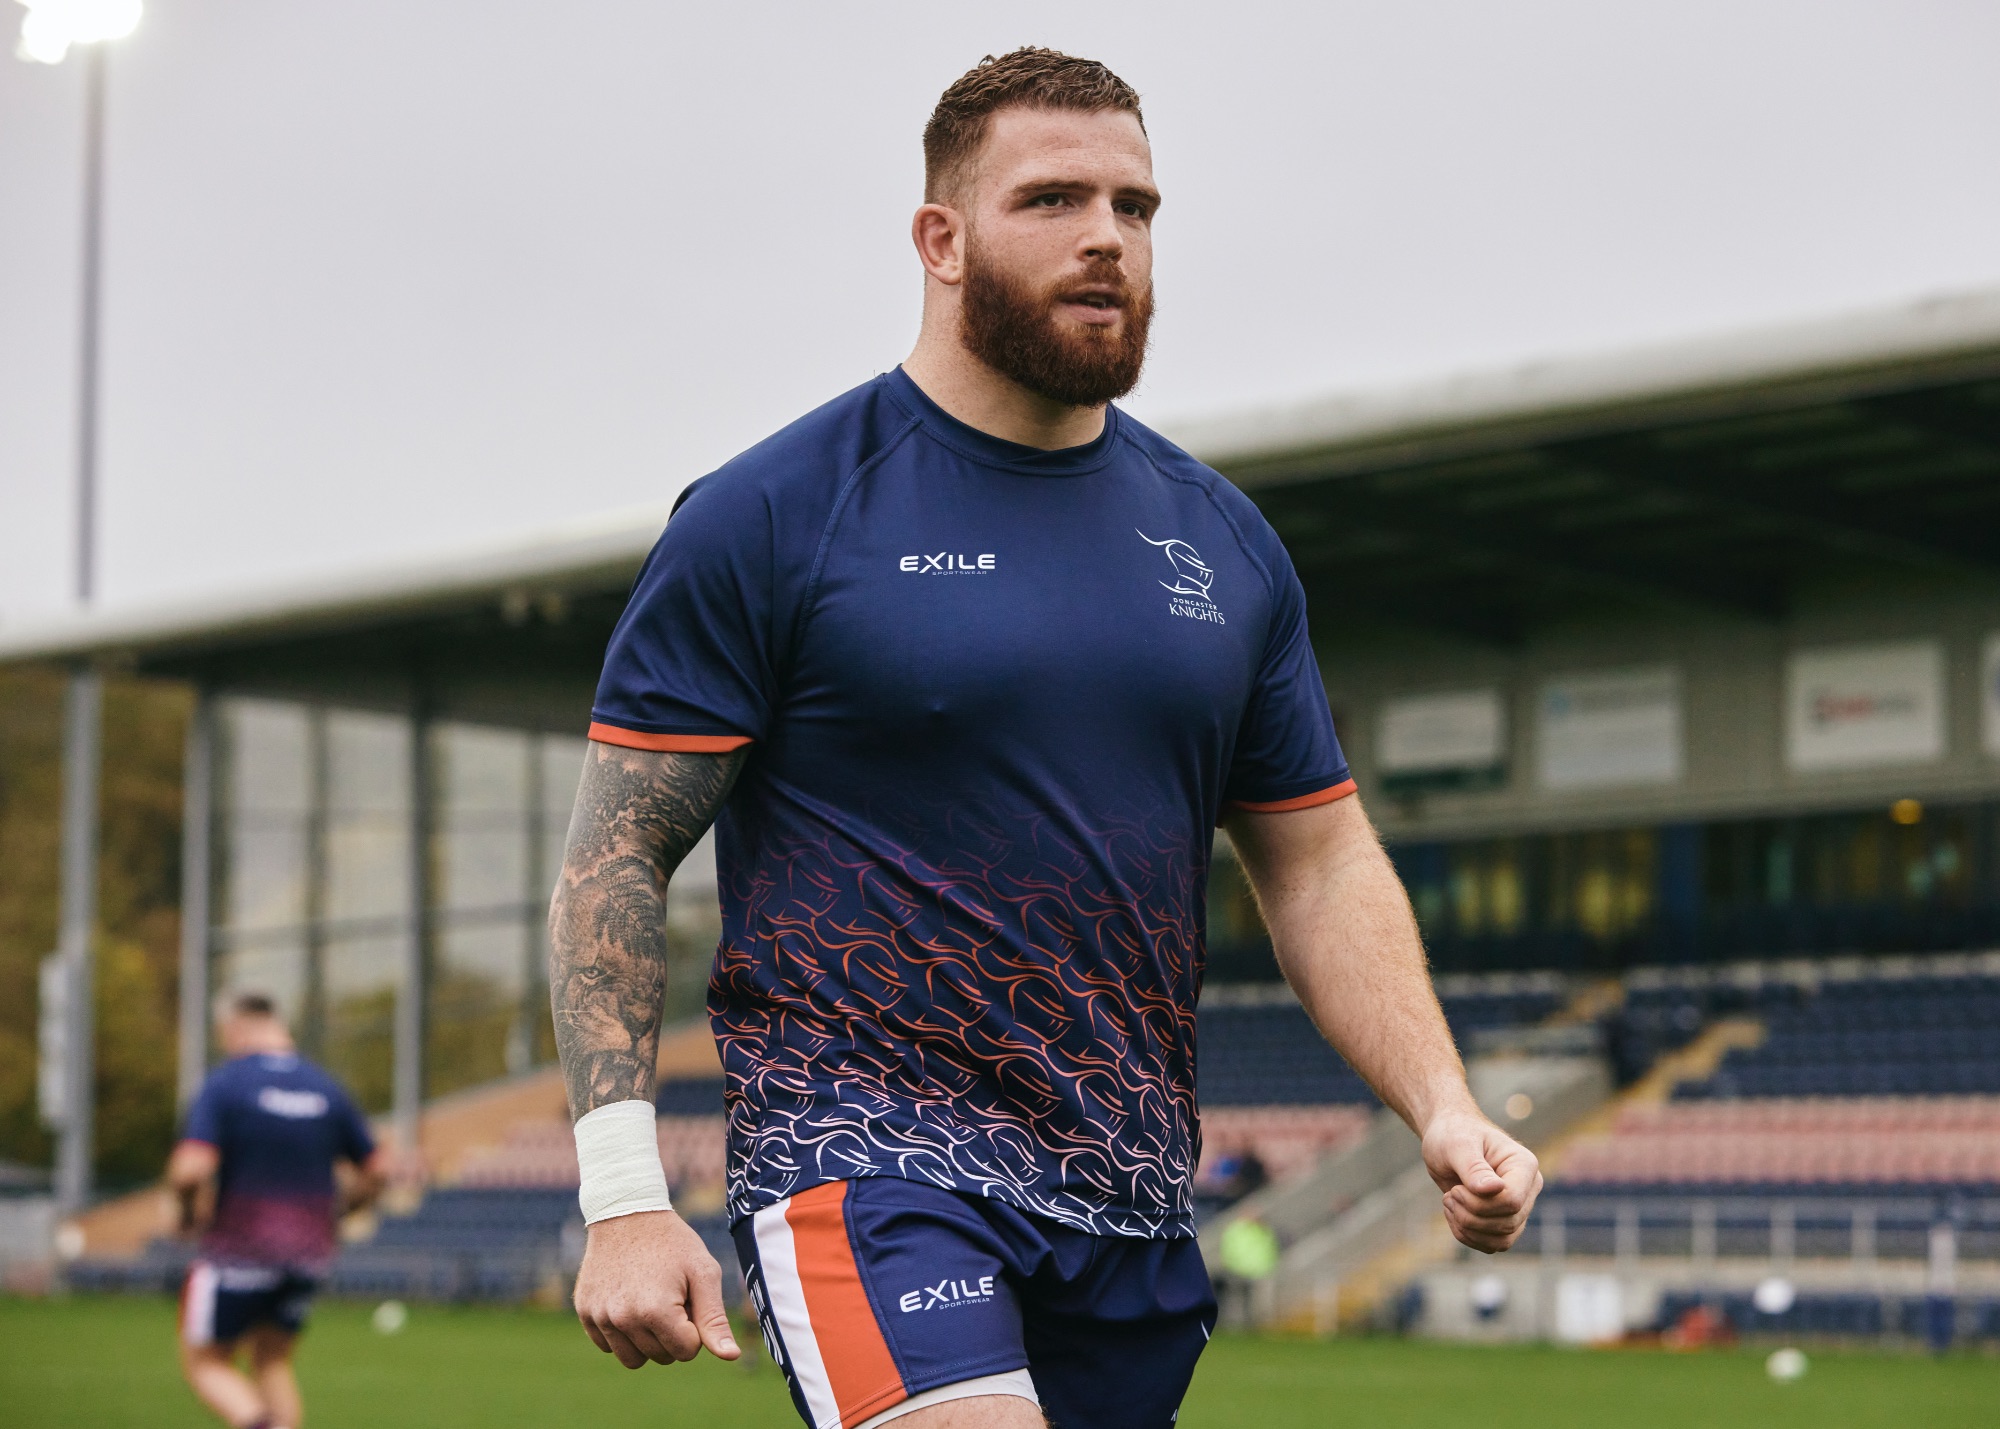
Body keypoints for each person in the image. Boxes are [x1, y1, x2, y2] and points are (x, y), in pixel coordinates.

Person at [548, 47, 1542, 1429]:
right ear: (939, 240)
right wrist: (621, 1195)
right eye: (1053, 200)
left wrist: (1442, 1104)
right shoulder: (773, 515)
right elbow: (614, 858)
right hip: (866, 1154)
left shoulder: (1222, 545)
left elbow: (1317, 864)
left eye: (1136, 207)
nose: (1106, 238)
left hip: (1126, 1196)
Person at [166, 993, 387, 1429]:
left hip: (238, 1252)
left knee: (207, 1362)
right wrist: (344, 1211)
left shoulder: (227, 1083)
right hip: (308, 1254)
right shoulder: (325, 1087)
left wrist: (188, 1213)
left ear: (235, 1028)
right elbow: (378, 1169)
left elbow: (191, 1169)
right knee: (271, 1359)